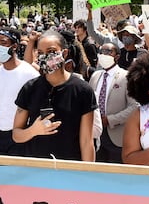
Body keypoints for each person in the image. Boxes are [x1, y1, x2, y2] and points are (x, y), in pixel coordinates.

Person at [11, 30, 96, 161]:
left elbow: (86, 141)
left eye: (51, 51)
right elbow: (16, 134)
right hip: (36, 169)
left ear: (64, 53)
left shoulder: (82, 90)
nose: (45, 56)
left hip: (69, 169)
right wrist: (33, 130)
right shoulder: (30, 88)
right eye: (40, 53)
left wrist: (87, 176)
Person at [0, 28, 39, 155]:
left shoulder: (30, 74)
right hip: (1, 136)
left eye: (3, 43)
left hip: (23, 135)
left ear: (14, 46)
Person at [89, 42, 138, 163]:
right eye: (101, 52)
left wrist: (110, 120)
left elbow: (134, 106)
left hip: (116, 135)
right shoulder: (95, 75)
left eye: (108, 52)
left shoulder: (126, 77)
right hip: (95, 133)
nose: (103, 55)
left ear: (117, 56)